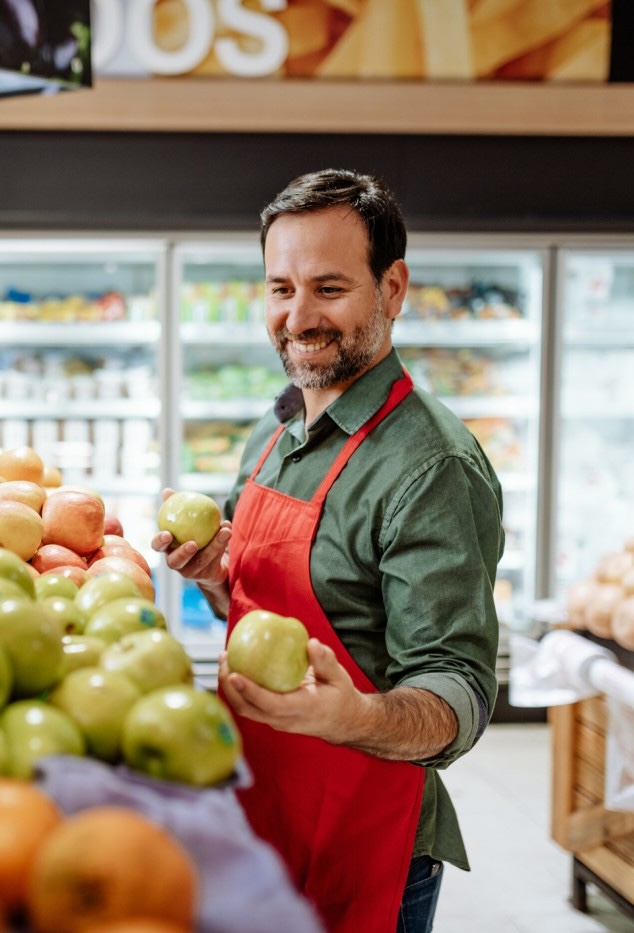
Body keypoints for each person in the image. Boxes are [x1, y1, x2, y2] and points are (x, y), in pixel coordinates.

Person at [153, 168, 504, 933]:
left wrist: (352, 715)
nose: (298, 316)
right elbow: (259, 607)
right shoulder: (274, 428)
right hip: (254, 803)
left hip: (364, 838)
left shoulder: (432, 466)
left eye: (329, 288)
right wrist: (218, 577)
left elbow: (460, 689)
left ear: (393, 287)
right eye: (280, 288)